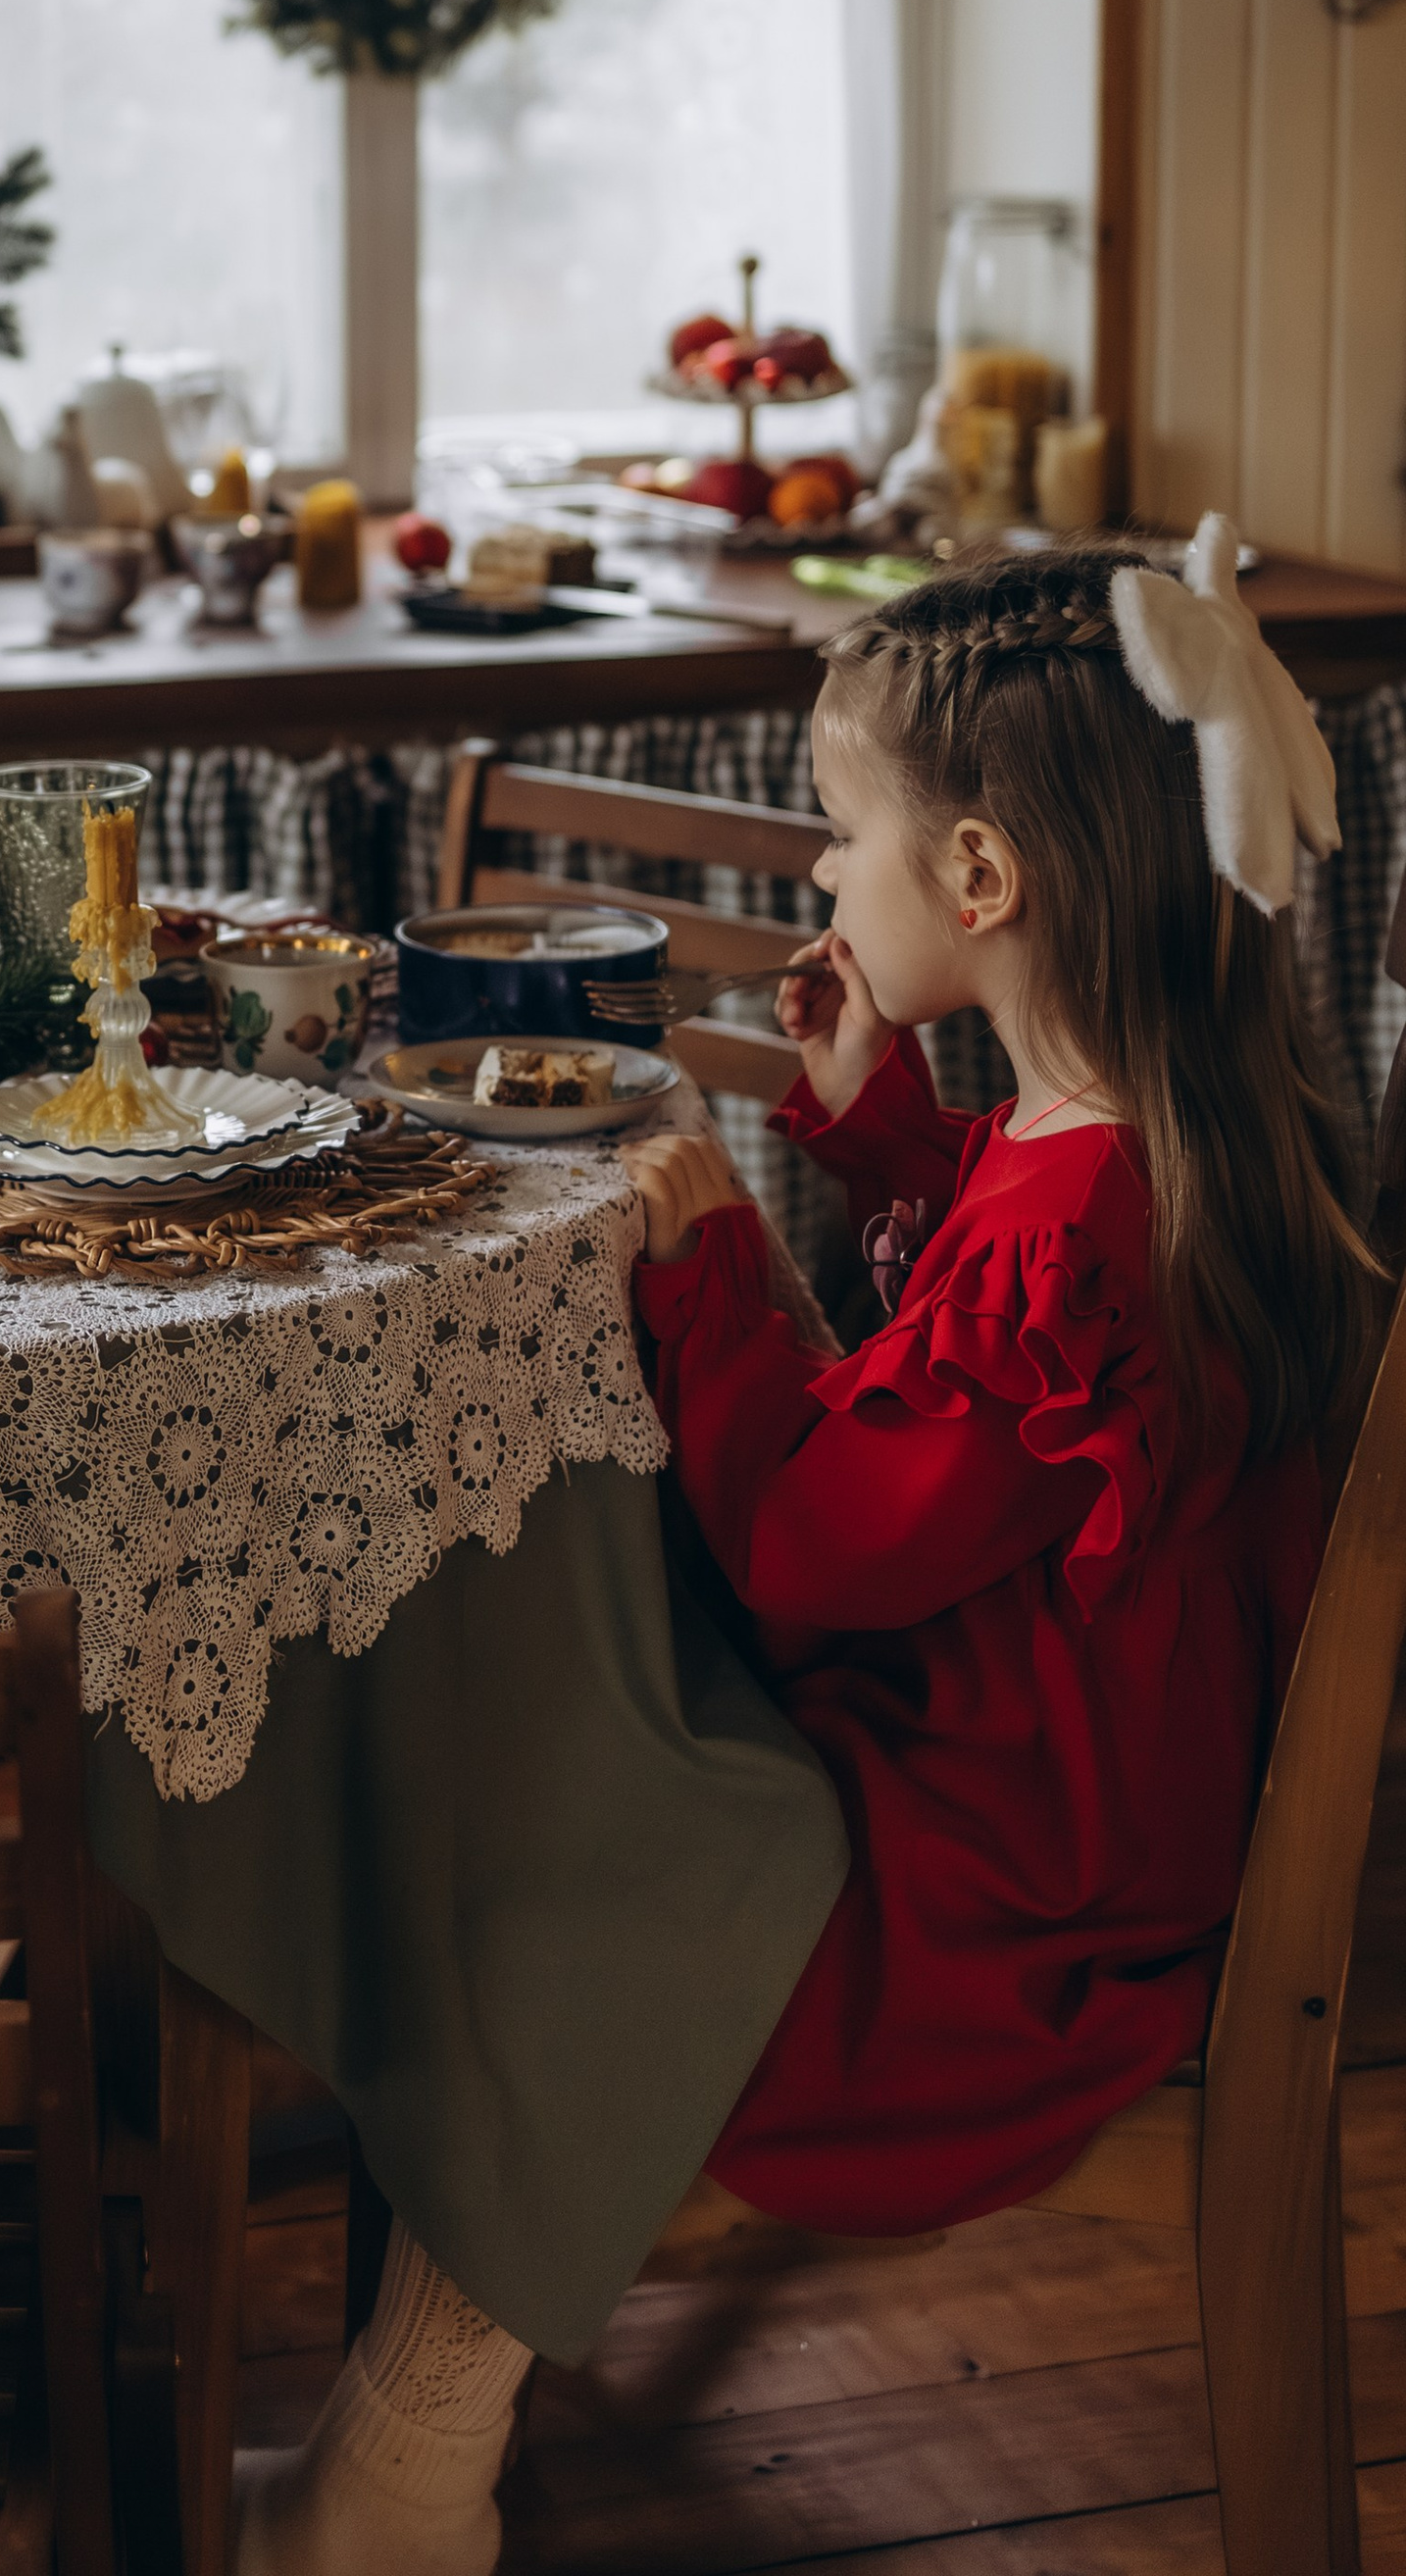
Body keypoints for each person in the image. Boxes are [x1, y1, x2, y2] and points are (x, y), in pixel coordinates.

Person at [237, 522, 1383, 2576]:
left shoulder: (1078, 1234)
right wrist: (881, 1135)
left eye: (838, 836)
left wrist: (714, 1275)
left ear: (978, 881)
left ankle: (398, 2475)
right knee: (579, 1757)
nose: (818, 878)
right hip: (1054, 1789)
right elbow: (1005, 1374)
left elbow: (806, 1547)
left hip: (995, 1900)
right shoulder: (1145, 1146)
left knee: (562, 1878)